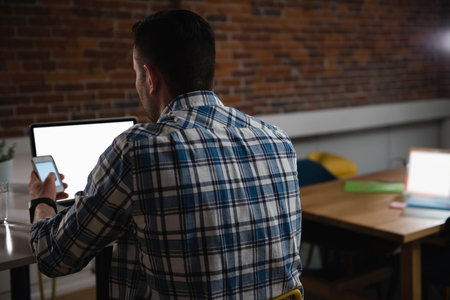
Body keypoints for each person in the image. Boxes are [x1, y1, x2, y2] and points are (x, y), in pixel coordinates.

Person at [28, 10, 302, 299]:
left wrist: (42, 200)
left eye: (136, 73)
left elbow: (55, 256)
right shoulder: (277, 138)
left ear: (149, 77)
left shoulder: (139, 149)